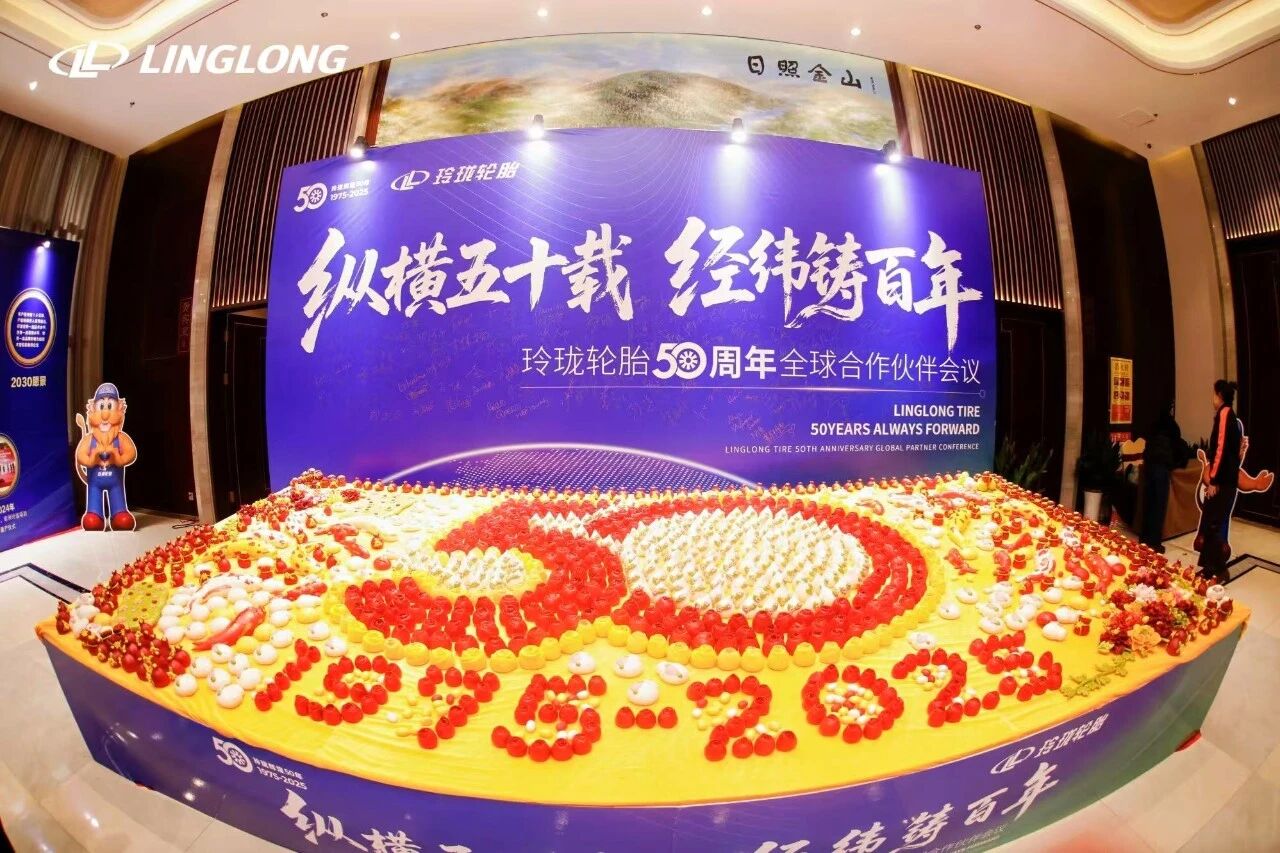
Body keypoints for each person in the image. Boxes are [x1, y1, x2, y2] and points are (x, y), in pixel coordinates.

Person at [1194, 380, 1242, 582]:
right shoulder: (1231, 416)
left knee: (1212, 525)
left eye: (1214, 394)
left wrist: (1213, 480)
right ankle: (1209, 568)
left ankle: (1219, 570)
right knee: (1211, 524)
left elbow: (1220, 450)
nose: (1212, 399)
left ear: (1220, 395)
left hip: (1222, 482)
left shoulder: (1224, 415)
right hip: (1227, 480)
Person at [1140, 400, 1182, 552]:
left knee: (1148, 504)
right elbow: (1177, 448)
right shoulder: (1172, 425)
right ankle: (1154, 543)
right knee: (1159, 506)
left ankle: (1144, 540)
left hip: (1149, 466)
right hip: (1161, 468)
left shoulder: (1153, 423)